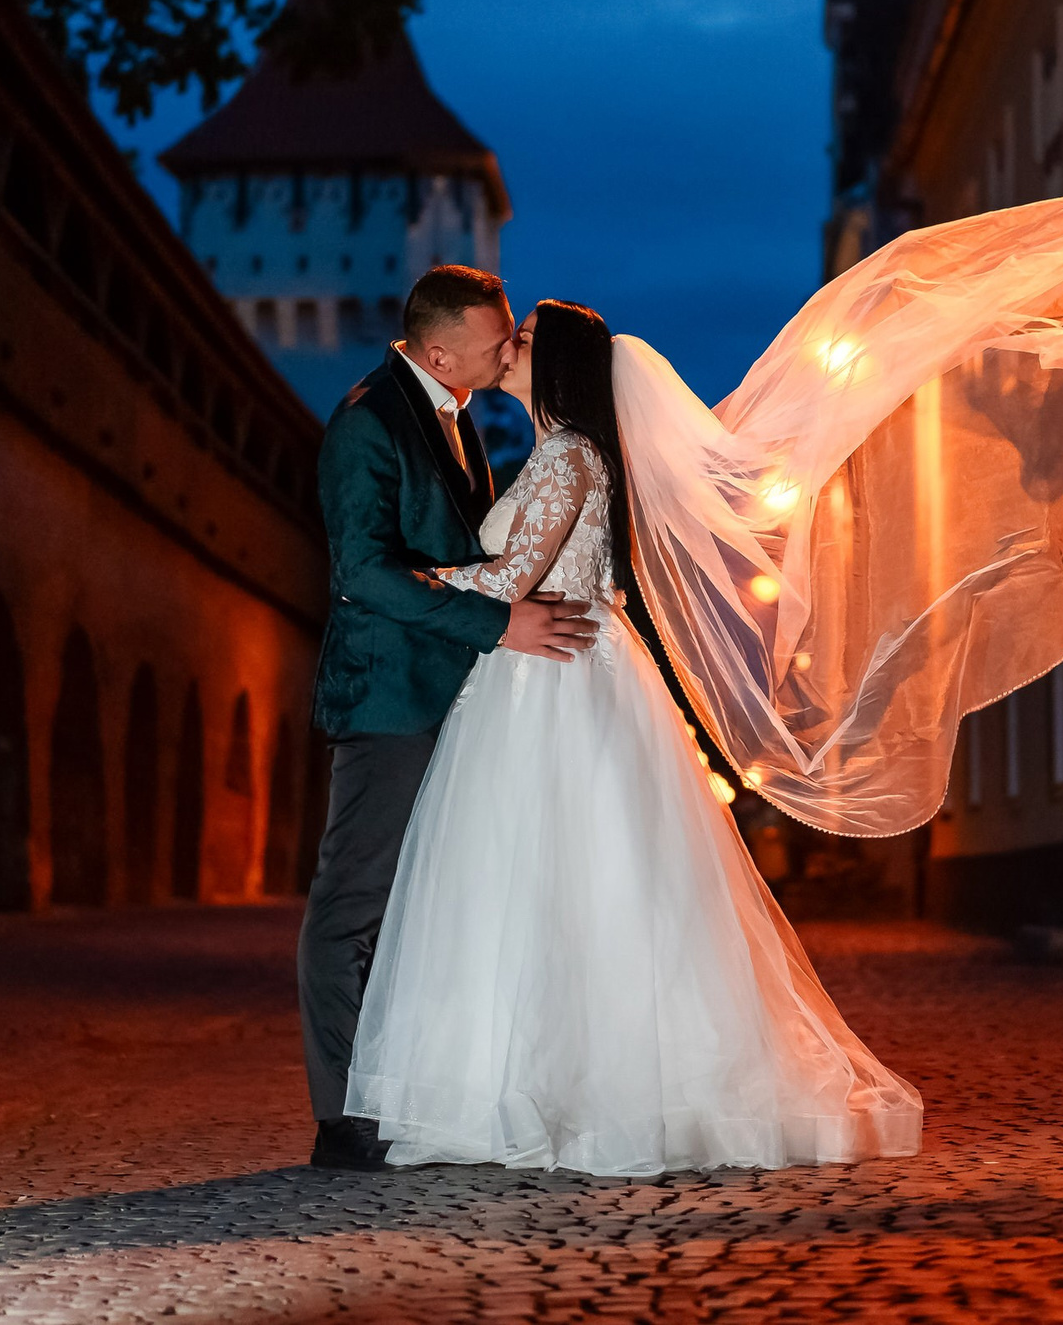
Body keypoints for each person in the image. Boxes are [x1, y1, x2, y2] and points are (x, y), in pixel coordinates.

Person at [343, 301, 923, 1175]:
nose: (511, 348)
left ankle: (567, 1087)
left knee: (565, 883)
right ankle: (536, 1081)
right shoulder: (560, 455)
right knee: (558, 887)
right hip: (552, 675)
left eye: (526, 340)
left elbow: (510, 576)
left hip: (556, 686)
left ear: (562, 368)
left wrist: (408, 576)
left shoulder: (569, 455)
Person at [299, 265, 601, 1174]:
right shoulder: (368, 421)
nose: (508, 347)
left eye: (514, 335)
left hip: (457, 696)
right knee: (354, 901)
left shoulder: (459, 414)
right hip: (390, 694)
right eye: (495, 337)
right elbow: (367, 572)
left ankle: (412, 1092)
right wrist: (499, 620)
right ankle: (344, 1116)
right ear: (440, 351)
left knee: (426, 907)